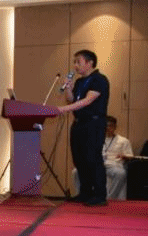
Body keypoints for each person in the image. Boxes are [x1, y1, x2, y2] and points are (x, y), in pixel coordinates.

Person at [56, 49, 111, 206]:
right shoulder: (80, 82)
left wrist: (63, 110)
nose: (75, 65)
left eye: (78, 62)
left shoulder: (99, 80)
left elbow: (87, 101)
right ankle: (85, 192)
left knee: (93, 158)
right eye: (74, 62)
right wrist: (68, 88)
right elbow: (71, 100)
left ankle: (99, 195)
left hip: (93, 124)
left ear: (89, 63)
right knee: (79, 159)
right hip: (79, 123)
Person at [99, 116, 134, 201]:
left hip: (114, 165)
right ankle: (83, 196)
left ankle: (111, 198)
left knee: (121, 173)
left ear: (115, 127)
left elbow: (130, 156)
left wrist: (124, 156)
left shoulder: (123, 141)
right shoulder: (97, 139)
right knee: (76, 171)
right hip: (99, 164)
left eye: (110, 126)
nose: (108, 128)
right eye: (106, 126)